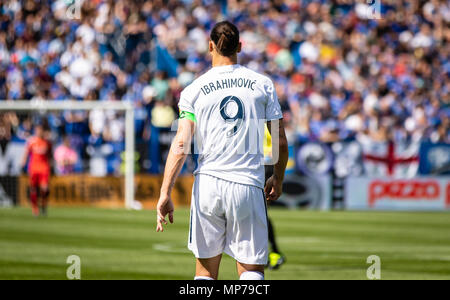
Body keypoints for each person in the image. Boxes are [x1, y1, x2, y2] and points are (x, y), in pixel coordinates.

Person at [156, 21, 289, 280]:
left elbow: (181, 143)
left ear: (210, 47)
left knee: (205, 273)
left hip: (207, 185)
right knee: (251, 270)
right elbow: (280, 140)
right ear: (240, 46)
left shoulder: (193, 90)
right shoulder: (262, 84)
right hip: (248, 185)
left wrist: (165, 192)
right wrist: (278, 177)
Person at [21, 124, 52, 217]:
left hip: (44, 168)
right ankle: (35, 208)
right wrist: (23, 163)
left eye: (40, 130)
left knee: (45, 189)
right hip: (33, 168)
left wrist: (52, 166)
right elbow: (26, 153)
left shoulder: (47, 143)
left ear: (43, 131)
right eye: (37, 130)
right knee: (33, 189)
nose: (38, 132)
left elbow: (50, 156)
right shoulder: (31, 142)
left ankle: (43, 204)